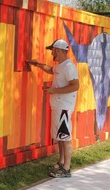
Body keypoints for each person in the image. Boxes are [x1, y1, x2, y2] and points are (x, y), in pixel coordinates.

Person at [28, 39, 79, 178]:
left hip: (64, 107)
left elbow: (75, 86)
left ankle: (66, 169)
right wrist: (37, 65)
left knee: (65, 137)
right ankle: (62, 162)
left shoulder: (68, 66)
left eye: (52, 50)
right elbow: (51, 70)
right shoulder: (60, 66)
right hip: (58, 106)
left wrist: (54, 90)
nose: (51, 53)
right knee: (60, 136)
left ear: (58, 50)